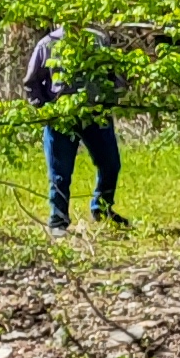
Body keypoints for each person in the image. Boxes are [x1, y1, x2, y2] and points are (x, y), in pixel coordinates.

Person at [25, 26, 127, 231]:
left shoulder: (98, 40)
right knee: (59, 172)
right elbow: (31, 81)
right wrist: (45, 110)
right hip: (61, 119)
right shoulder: (48, 44)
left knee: (110, 164)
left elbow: (115, 74)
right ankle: (58, 220)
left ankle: (102, 209)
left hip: (95, 115)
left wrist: (109, 100)